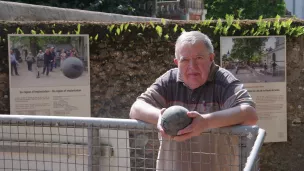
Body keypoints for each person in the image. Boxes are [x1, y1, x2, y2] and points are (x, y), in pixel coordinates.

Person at [129, 31, 258, 171]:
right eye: (185, 60)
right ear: (177, 62)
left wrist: (205, 122)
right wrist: (160, 117)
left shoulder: (224, 80)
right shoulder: (169, 80)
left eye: (199, 58)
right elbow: (136, 108)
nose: (192, 66)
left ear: (211, 58)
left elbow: (250, 114)